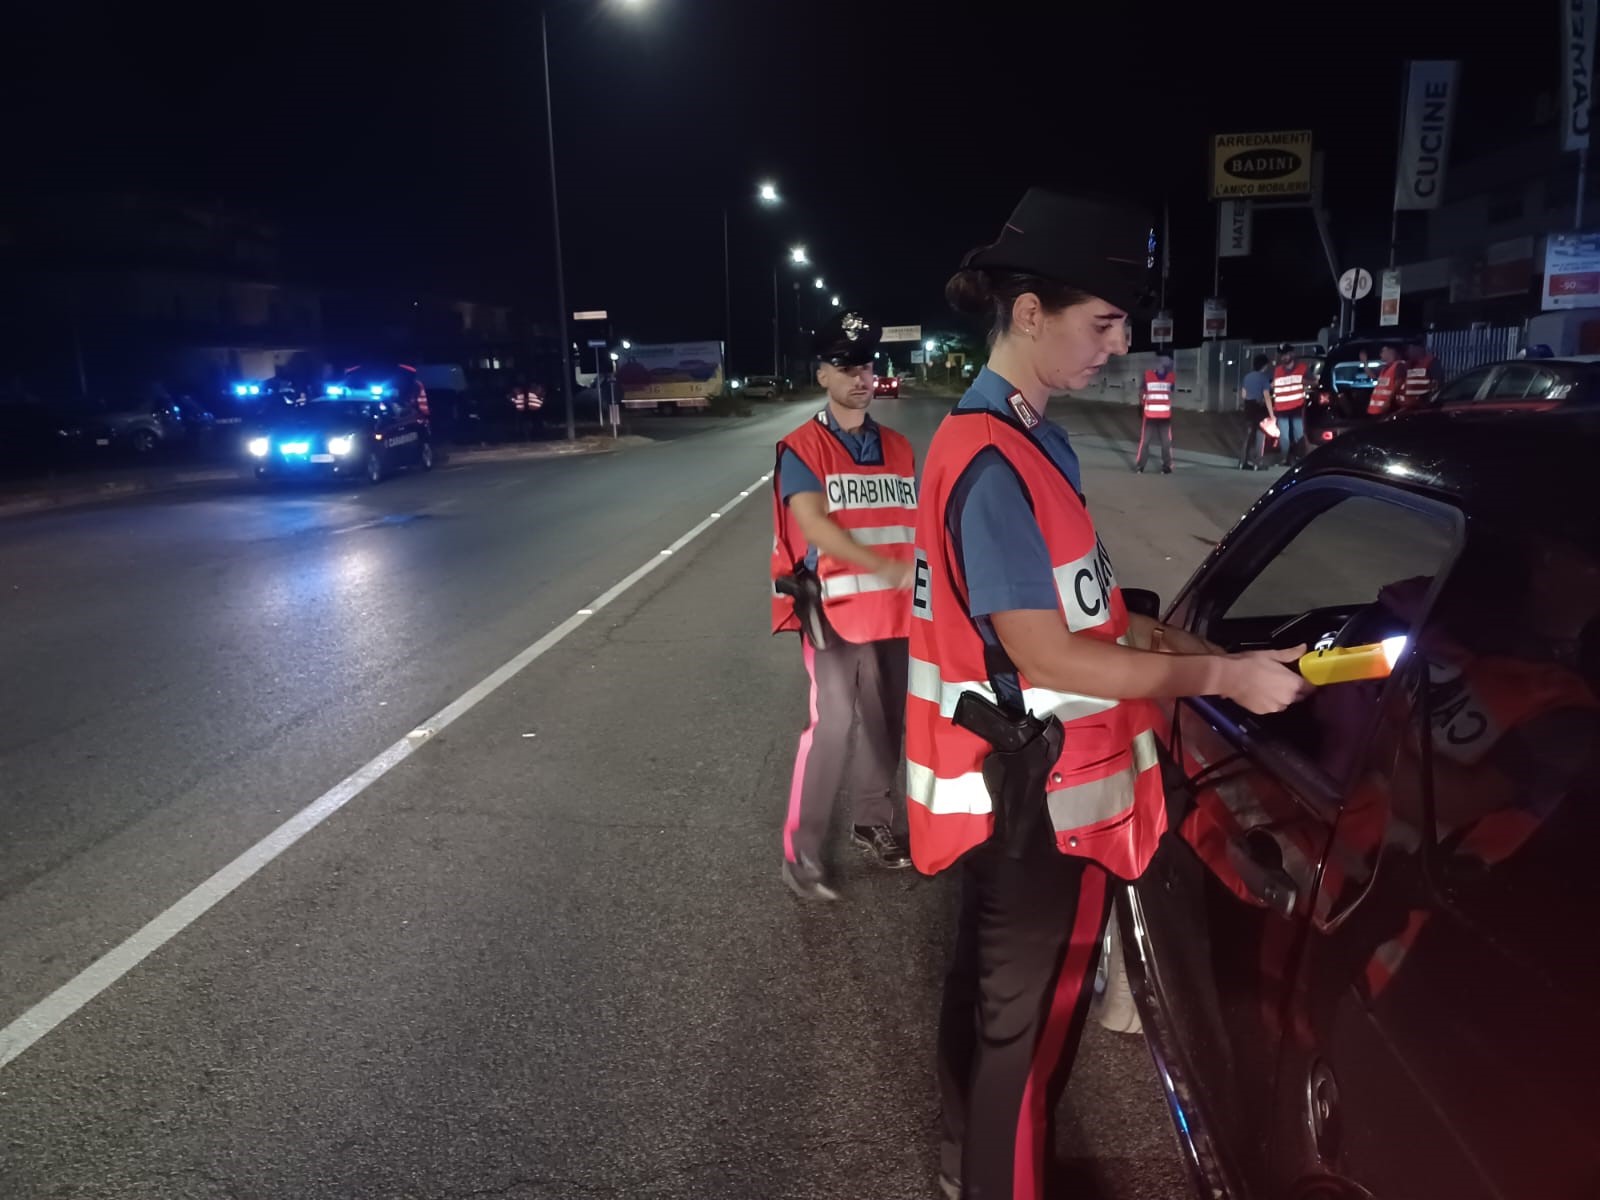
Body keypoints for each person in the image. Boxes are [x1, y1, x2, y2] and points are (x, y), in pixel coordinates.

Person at [908, 188, 1313, 1200]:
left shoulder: (1033, 440)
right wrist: (1220, 676)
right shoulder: (991, 462)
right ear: (1029, 314)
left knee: (1013, 1021)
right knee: (1028, 1044)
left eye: (1123, 322)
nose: (1120, 344)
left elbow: (1097, 617)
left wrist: (1196, 645)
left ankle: (976, 1157)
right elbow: (1050, 657)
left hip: (1052, 799)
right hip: (1031, 806)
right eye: (1102, 321)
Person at [770, 310, 918, 902]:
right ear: (823, 375)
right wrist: (881, 564)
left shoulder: (901, 448)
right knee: (830, 727)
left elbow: (913, 524)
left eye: (866, 365)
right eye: (846, 366)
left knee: (887, 726)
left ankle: (873, 823)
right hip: (832, 614)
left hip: (897, 613)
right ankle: (802, 852)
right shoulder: (802, 448)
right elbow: (811, 521)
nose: (861, 376)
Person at [1270, 342, 1312, 465]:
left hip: (1297, 407)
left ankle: (1299, 459)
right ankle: (1285, 459)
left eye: (1286, 354)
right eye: (1282, 355)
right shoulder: (1277, 370)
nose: (1284, 357)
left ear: (1292, 354)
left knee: (1298, 434)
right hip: (1281, 409)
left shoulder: (1302, 368)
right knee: (1284, 436)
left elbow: (1314, 381)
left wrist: (1304, 381)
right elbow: (1271, 385)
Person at [1133, 353, 1175, 474]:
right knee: (1145, 442)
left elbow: (1170, 392)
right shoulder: (1148, 375)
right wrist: (1141, 407)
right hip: (1150, 415)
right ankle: (1140, 466)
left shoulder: (1171, 377)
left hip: (1164, 416)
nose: (1167, 362)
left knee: (1166, 443)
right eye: (1165, 360)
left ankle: (1167, 466)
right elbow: (1142, 392)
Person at [1238, 352, 1273, 469]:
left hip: (1248, 406)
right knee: (1260, 434)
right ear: (1264, 366)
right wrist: (1271, 414)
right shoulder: (1264, 378)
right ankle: (1258, 463)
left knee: (1247, 435)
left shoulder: (1247, 377)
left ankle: (1242, 462)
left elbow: (1243, 394)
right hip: (1259, 408)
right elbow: (1267, 397)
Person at [1401, 338, 1443, 409]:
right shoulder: (1409, 364)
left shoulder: (1432, 362)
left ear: (1418, 348)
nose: (1407, 352)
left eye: (1409, 349)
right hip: (1408, 406)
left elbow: (1437, 385)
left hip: (1423, 407)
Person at [1367, 343, 1405, 417]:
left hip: (1387, 410)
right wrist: (1364, 362)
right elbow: (1371, 375)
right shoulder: (1384, 369)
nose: (1380, 354)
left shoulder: (1399, 366)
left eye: (1382, 351)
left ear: (1389, 351)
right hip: (1376, 411)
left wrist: (1388, 401)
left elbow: (1398, 383)